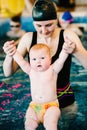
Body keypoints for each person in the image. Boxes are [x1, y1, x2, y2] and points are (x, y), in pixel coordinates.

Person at [3, 0, 87, 128]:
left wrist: (75, 50)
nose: (44, 30)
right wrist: (9, 55)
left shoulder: (67, 36)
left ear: (56, 20)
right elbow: (8, 73)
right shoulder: (28, 38)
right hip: (38, 103)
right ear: (33, 23)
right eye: (38, 25)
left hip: (65, 100)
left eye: (49, 25)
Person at [12, 42, 72, 130]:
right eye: (34, 59)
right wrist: (13, 52)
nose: (38, 61)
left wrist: (65, 50)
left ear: (50, 59)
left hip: (51, 106)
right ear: (30, 61)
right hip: (34, 106)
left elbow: (61, 60)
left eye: (42, 58)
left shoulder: (53, 70)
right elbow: (21, 61)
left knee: (50, 124)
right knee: (29, 125)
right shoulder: (30, 71)